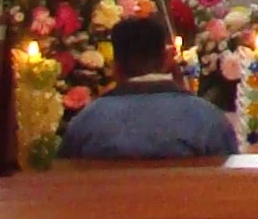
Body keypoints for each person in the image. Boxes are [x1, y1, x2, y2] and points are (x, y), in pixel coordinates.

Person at [59, 12, 241, 160]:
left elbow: (65, 180)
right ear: (166, 61)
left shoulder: (88, 121)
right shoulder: (206, 118)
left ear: (116, 67)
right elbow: (230, 181)